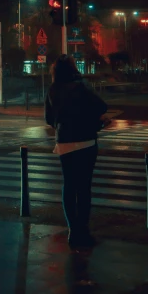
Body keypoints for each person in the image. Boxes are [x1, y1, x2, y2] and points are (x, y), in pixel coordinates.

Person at [45, 55, 109, 248]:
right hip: (85, 141)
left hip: (64, 142)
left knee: (69, 185)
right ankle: (83, 230)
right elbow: (100, 106)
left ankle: (72, 229)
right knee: (84, 187)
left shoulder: (52, 90)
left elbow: (49, 118)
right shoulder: (81, 87)